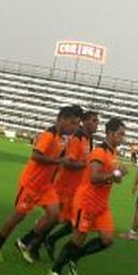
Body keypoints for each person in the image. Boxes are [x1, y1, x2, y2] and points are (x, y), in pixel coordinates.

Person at [0, 105, 82, 261]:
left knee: (54, 215)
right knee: (18, 216)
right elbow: (36, 156)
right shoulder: (49, 135)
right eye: (73, 123)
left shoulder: (62, 139)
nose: (75, 127)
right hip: (31, 184)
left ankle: (24, 241)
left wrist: (67, 160)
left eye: (77, 124)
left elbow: (59, 159)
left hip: (46, 186)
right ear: (62, 119)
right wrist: (60, 160)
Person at [48, 117, 127, 275]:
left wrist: (119, 174)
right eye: (120, 134)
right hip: (87, 201)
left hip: (101, 204)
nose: (123, 138)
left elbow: (113, 178)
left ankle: (74, 259)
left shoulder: (112, 153)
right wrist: (115, 174)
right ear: (111, 134)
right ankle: (55, 270)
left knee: (107, 239)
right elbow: (95, 178)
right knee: (78, 239)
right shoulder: (99, 152)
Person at [41, 110, 99, 258]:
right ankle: (33, 242)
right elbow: (69, 163)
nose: (97, 124)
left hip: (77, 188)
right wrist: (84, 165)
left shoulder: (89, 139)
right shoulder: (77, 138)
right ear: (85, 122)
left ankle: (49, 240)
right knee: (55, 219)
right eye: (94, 121)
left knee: (71, 221)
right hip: (64, 186)